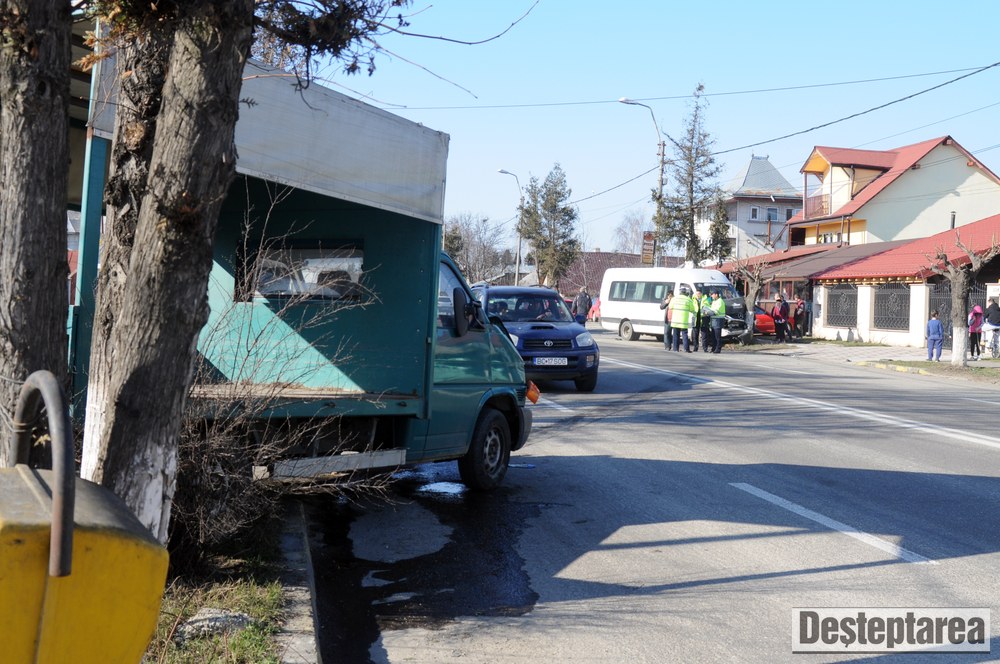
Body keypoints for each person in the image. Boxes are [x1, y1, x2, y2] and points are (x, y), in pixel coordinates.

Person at [668, 286, 698, 352]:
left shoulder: (674, 299)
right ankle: (686, 349)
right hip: (683, 320)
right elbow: (692, 309)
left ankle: (675, 349)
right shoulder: (688, 299)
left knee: (676, 335)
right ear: (685, 292)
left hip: (675, 320)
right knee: (684, 335)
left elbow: (670, 307)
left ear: (679, 292)